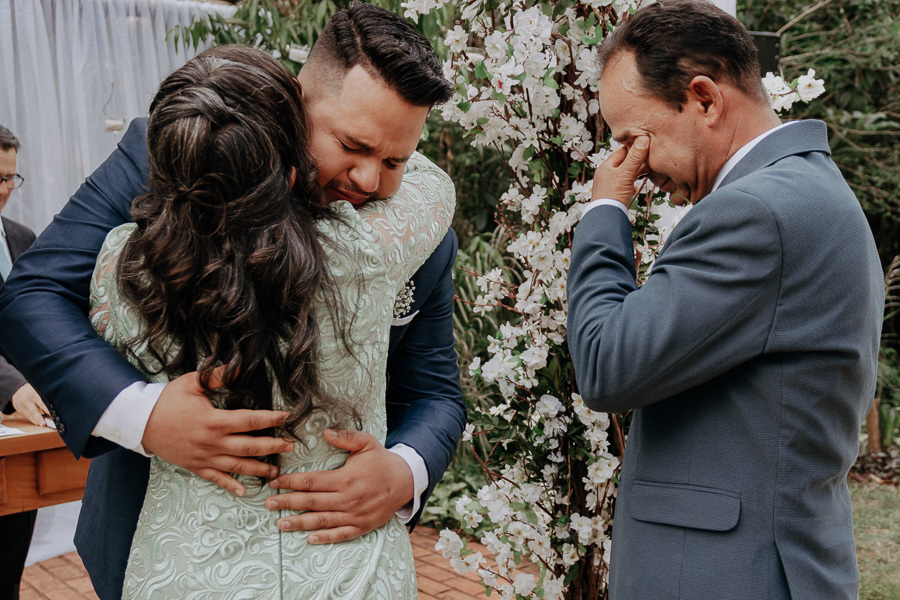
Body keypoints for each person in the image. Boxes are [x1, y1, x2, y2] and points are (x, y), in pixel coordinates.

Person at [0, 5, 464, 599]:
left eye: (396, 161)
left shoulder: (423, 234)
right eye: (352, 145)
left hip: (342, 565)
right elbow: (32, 295)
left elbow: (435, 394)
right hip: (158, 545)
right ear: (297, 103)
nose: (370, 180)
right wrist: (146, 415)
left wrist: (404, 472)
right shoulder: (169, 151)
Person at [567, 1, 884, 598]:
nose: (632, 166)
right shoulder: (807, 191)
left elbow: (606, 363)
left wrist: (606, 210)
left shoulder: (755, 213)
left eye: (635, 138)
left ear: (705, 100)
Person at [0, 125, 47, 600]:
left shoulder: (23, 237)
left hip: (27, 420)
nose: (4, 190)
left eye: (11, 178)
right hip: (10, 396)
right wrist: (11, 386)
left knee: (10, 560)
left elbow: (36, 322)